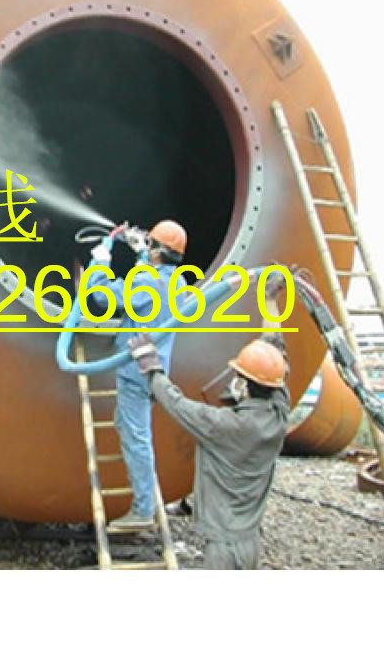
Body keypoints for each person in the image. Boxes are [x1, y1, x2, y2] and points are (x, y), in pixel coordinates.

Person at [128, 334, 290, 569]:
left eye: (238, 377)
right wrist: (273, 343)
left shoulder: (225, 426)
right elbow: (280, 381)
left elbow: (178, 406)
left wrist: (152, 370)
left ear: (244, 386)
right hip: (251, 541)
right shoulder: (279, 417)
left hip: (224, 548)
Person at [88, 219, 188, 530]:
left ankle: (143, 510)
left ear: (157, 251)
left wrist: (100, 262)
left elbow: (102, 298)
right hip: (154, 368)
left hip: (135, 372)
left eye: (151, 243)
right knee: (128, 424)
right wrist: (142, 256)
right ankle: (145, 504)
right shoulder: (178, 282)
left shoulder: (147, 283)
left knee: (137, 439)